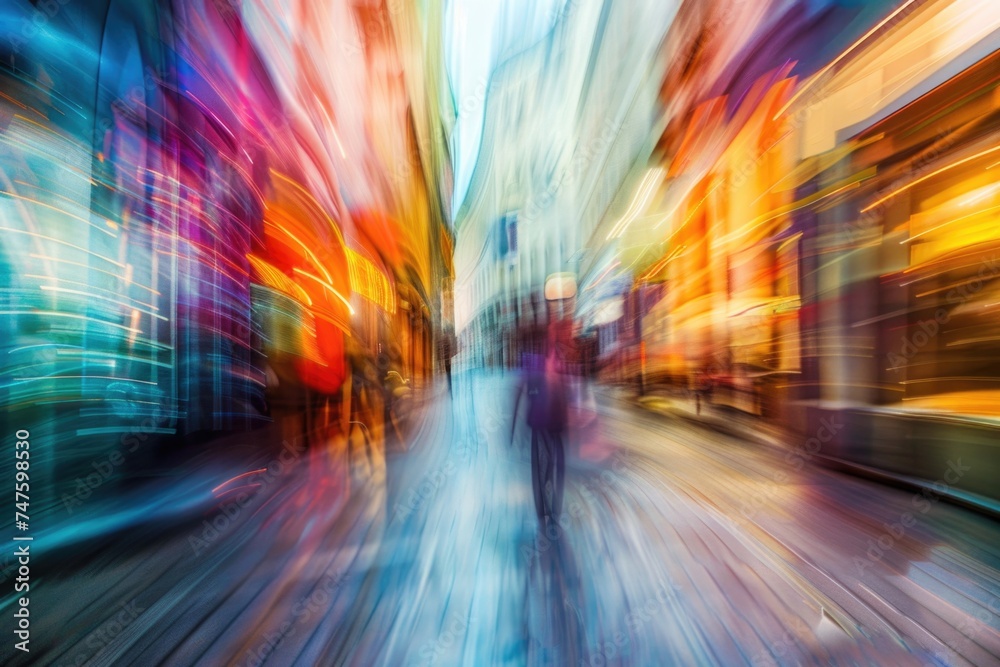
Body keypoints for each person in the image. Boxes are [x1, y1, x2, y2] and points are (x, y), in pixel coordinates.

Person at [512, 348, 568, 523]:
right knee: (546, 466)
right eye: (554, 360)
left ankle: (549, 505)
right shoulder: (538, 377)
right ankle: (546, 506)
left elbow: (563, 403)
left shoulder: (556, 379)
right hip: (543, 426)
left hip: (552, 426)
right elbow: (523, 398)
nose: (557, 365)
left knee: (549, 465)